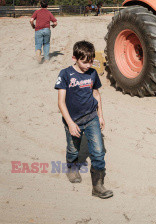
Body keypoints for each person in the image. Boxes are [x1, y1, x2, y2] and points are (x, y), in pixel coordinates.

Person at [54, 41, 113, 199]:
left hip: (91, 117)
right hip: (73, 120)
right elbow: (61, 102)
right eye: (84, 62)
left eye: (90, 61)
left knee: (99, 152)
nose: (87, 65)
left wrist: (100, 115)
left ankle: (97, 186)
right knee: (73, 150)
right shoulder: (65, 74)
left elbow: (96, 95)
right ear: (75, 58)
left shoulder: (93, 74)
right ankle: (72, 168)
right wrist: (70, 123)